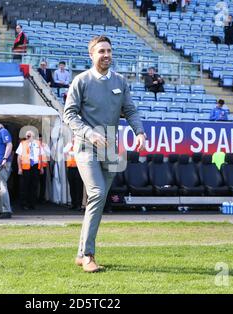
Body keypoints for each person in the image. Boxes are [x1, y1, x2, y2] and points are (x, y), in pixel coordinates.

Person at [63, 36, 146, 272]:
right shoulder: (81, 81)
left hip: (110, 148)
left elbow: (130, 110)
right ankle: (88, 255)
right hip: (86, 146)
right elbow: (68, 115)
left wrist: (139, 132)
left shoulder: (120, 81)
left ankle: (81, 253)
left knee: (96, 202)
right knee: (97, 193)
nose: (106, 54)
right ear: (91, 54)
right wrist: (89, 134)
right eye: (101, 51)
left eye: (109, 50)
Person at [16, 130, 44, 211]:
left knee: (34, 186)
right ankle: (24, 204)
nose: (27, 136)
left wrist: (41, 167)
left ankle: (32, 204)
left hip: (35, 166)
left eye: (29, 135)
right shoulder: (22, 143)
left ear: (33, 136)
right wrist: (19, 168)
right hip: (25, 167)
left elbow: (40, 156)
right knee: (25, 186)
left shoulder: (38, 143)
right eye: (27, 135)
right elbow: (19, 157)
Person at [63, 139, 84, 211]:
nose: (74, 139)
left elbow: (77, 153)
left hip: (78, 168)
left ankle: (79, 204)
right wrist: (71, 144)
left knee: (79, 187)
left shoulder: (80, 145)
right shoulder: (70, 144)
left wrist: (70, 153)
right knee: (72, 187)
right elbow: (64, 151)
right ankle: (73, 203)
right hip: (70, 168)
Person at [38, 134, 50, 203]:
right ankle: (35, 197)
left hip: (44, 165)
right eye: (39, 139)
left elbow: (49, 154)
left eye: (41, 139)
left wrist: (44, 147)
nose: (40, 140)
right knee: (35, 183)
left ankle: (41, 197)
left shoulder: (45, 145)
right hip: (36, 166)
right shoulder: (35, 145)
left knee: (43, 183)